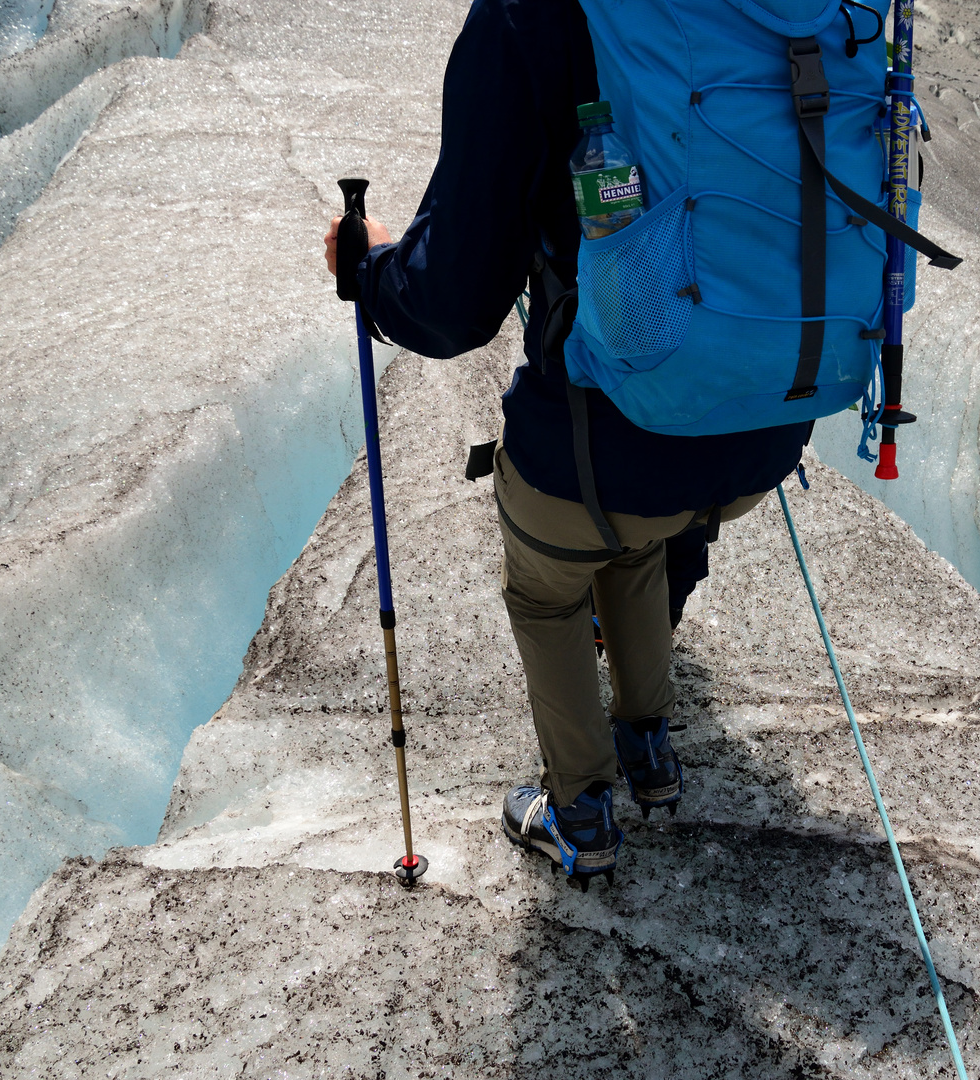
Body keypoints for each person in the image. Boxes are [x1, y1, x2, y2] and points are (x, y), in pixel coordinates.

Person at [324, 0, 808, 886]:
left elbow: (455, 297)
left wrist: (369, 272)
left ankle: (580, 812)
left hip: (605, 453)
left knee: (549, 584)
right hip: (766, 430)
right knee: (642, 538)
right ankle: (649, 745)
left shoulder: (529, 13)